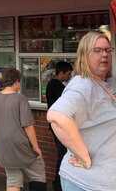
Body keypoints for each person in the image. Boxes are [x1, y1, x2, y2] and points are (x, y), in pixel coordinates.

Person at [47, 31, 116, 191]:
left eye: (108, 50)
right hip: (86, 183)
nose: (104, 54)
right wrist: (83, 156)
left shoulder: (105, 83)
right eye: (97, 50)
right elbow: (56, 116)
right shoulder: (82, 84)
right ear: (84, 55)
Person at [0, 68, 46, 191]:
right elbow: (28, 126)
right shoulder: (20, 99)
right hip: (21, 146)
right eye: (20, 82)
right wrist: (36, 147)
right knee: (37, 175)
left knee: (13, 181)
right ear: (16, 81)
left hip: (3, 147)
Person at [45, 61, 73, 191]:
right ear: (61, 73)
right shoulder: (57, 86)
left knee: (62, 154)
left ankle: (58, 182)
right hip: (59, 125)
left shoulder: (52, 84)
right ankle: (58, 183)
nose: (69, 76)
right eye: (68, 73)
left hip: (56, 124)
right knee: (63, 154)